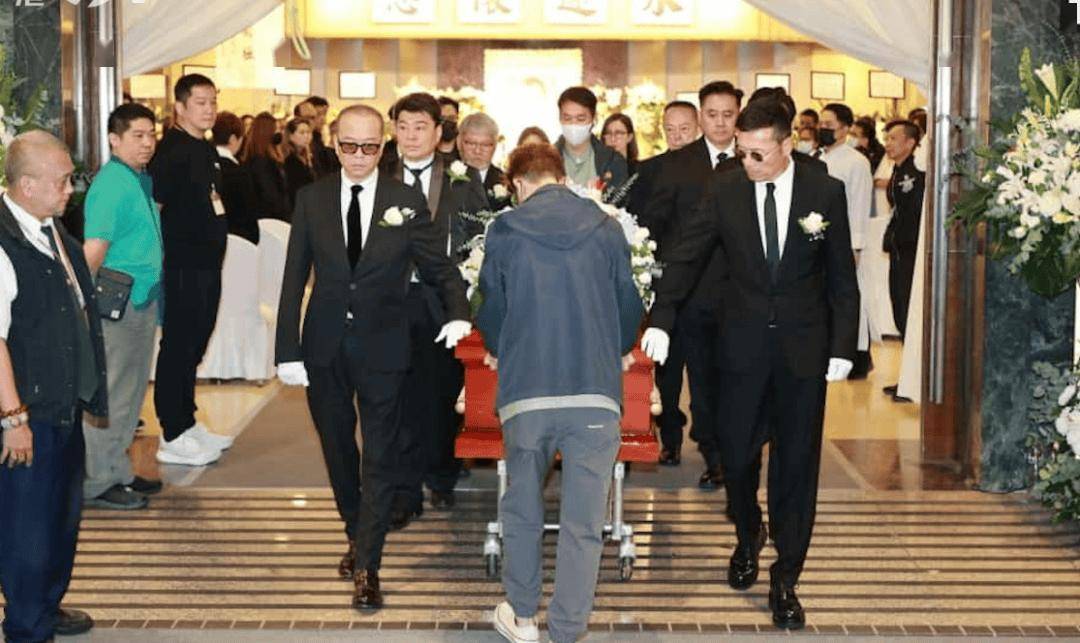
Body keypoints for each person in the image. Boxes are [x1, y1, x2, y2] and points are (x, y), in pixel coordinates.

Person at [640, 99, 859, 630]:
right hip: (739, 349)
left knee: (797, 464)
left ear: (787, 145)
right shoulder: (727, 189)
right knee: (735, 458)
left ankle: (786, 576)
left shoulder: (824, 192)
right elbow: (686, 256)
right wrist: (661, 318)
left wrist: (843, 347)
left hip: (804, 352)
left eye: (758, 154)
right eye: (742, 152)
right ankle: (748, 533)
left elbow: (841, 278)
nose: (748, 163)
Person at [275, 104, 472, 610]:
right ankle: (354, 529)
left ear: (381, 147)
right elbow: (294, 276)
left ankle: (368, 563)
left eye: (368, 146)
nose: (359, 155)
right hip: (324, 344)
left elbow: (439, 266)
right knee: (338, 446)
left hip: (384, 343)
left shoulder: (404, 200)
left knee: (381, 452)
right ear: (334, 144)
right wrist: (286, 349)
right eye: (349, 145)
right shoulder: (312, 198)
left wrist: (458, 313)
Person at [477, 143, 643, 643]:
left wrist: (500, 347)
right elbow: (629, 306)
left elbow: (490, 306)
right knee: (584, 521)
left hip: (527, 391)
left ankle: (523, 617)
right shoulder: (606, 228)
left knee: (523, 508)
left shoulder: (505, 230)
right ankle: (568, 629)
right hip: (594, 393)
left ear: (518, 184)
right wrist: (612, 349)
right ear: (560, 177)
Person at [0, 130, 107, 642]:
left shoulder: (50, 228)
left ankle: (47, 603)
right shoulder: (5, 242)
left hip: (63, 404)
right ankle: (27, 625)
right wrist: (12, 418)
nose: (70, 190)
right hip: (28, 413)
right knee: (27, 529)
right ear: (26, 185)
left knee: (61, 519)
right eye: (62, 181)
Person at [382, 93, 488, 519]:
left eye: (420, 127)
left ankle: (442, 476)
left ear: (438, 132)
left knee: (441, 392)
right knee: (395, 395)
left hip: (443, 303)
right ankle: (403, 491)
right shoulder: (379, 173)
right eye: (403, 127)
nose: (410, 136)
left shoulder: (462, 177)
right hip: (391, 300)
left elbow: (479, 238)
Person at [643, 80, 742, 488]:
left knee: (717, 382)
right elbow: (654, 226)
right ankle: (674, 439)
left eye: (728, 115)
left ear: (738, 116)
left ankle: (716, 455)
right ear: (701, 117)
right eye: (712, 115)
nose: (720, 123)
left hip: (736, 296)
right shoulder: (677, 165)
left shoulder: (751, 161)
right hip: (686, 294)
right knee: (679, 377)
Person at [81, 102, 163, 510]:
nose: (147, 143)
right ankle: (99, 481)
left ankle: (118, 470)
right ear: (114, 139)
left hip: (139, 299)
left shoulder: (134, 179)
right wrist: (80, 304)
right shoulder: (113, 184)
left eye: (151, 135)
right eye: (138, 136)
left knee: (130, 393)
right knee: (113, 393)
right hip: (118, 303)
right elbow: (94, 249)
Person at [150, 74, 235, 466]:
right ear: (180, 107)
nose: (209, 109)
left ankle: (187, 421)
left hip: (207, 265)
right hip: (182, 265)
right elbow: (157, 207)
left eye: (213, 101)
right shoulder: (172, 151)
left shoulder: (204, 147)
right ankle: (172, 431)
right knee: (179, 346)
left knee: (196, 342)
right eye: (200, 102)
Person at [819, 103, 874, 379]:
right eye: (821, 124)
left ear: (845, 128)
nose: (823, 129)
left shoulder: (856, 162)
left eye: (829, 125)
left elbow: (860, 205)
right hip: (819, 239)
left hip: (846, 242)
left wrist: (856, 246)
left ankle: (856, 356)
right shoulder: (818, 157)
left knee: (849, 298)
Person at [881, 119, 925, 402]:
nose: (888, 144)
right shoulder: (898, 170)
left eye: (894, 139)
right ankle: (907, 378)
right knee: (900, 310)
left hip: (910, 252)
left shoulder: (916, 173)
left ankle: (914, 381)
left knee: (909, 311)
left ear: (910, 143)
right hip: (899, 250)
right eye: (887, 138)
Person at [626, 100, 699, 218]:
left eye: (684, 129)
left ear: (698, 128)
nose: (677, 136)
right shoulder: (647, 170)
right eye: (670, 129)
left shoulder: (713, 167)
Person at [554, 87, 628, 192]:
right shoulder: (546, 161)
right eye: (567, 119)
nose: (573, 124)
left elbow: (620, 197)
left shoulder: (612, 160)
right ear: (560, 119)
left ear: (594, 119)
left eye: (580, 119)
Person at [213, 111, 260, 246]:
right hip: (239, 242)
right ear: (233, 139)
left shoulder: (203, 165)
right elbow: (248, 213)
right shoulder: (239, 173)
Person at [242, 112, 291, 222]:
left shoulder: (261, 158)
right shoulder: (261, 162)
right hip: (271, 219)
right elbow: (270, 195)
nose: (280, 134)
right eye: (277, 129)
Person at [458, 112, 508, 209]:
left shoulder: (506, 183)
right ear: (459, 142)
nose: (477, 151)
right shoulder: (443, 178)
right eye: (471, 143)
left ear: (495, 146)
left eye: (485, 145)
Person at [282, 117, 316, 208]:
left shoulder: (311, 156)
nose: (306, 136)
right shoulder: (288, 159)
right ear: (291, 136)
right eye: (302, 133)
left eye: (308, 132)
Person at [305, 96, 341, 176]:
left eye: (324, 114)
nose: (323, 119)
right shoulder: (308, 141)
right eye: (318, 114)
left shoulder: (318, 138)